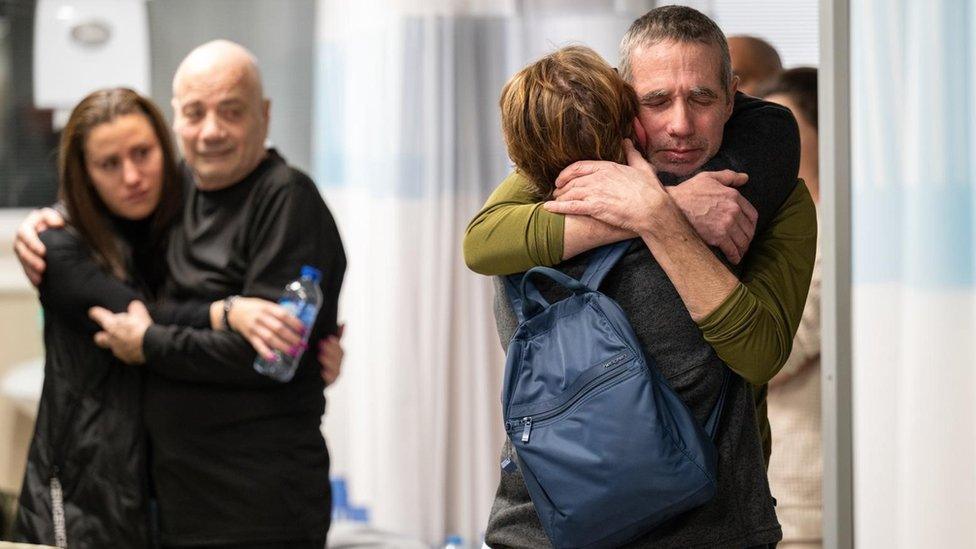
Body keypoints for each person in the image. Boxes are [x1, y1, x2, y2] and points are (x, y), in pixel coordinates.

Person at [465, 6, 817, 548]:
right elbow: (480, 241)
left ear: (733, 97)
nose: (680, 124)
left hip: (709, 524)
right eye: (656, 101)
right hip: (545, 523)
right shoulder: (549, 181)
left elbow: (759, 352)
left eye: (702, 98)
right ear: (624, 99)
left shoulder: (773, 200)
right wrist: (663, 205)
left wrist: (657, 216)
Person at [14, 41, 346, 548]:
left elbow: (269, 357)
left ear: (264, 114)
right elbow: (139, 305)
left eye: (231, 111)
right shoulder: (175, 196)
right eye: (195, 113)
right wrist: (223, 313)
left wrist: (152, 342)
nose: (211, 130)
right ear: (177, 120)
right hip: (159, 500)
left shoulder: (285, 199)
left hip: (258, 503)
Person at [761, 67, 823, 549]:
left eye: (788, 123)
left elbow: (775, 355)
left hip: (807, 498)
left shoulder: (836, 231)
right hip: (767, 486)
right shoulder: (770, 224)